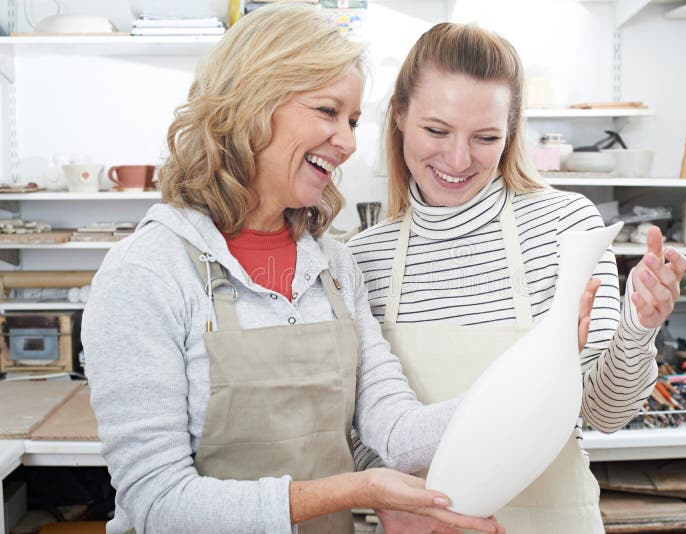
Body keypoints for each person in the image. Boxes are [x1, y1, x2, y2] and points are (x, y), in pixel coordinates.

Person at [81, 5, 506, 534]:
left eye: (351, 121)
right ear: (253, 102)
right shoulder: (147, 273)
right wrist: (358, 489)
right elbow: (159, 502)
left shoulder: (333, 267)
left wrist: (527, 382)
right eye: (328, 111)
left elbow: (392, 430)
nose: (349, 142)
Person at [347, 22, 686, 533]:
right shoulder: (363, 258)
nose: (458, 160)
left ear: (510, 134)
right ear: (398, 115)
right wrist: (392, 503)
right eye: (436, 131)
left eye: (485, 137)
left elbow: (604, 412)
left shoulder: (565, 226)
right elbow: (363, 434)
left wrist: (638, 327)